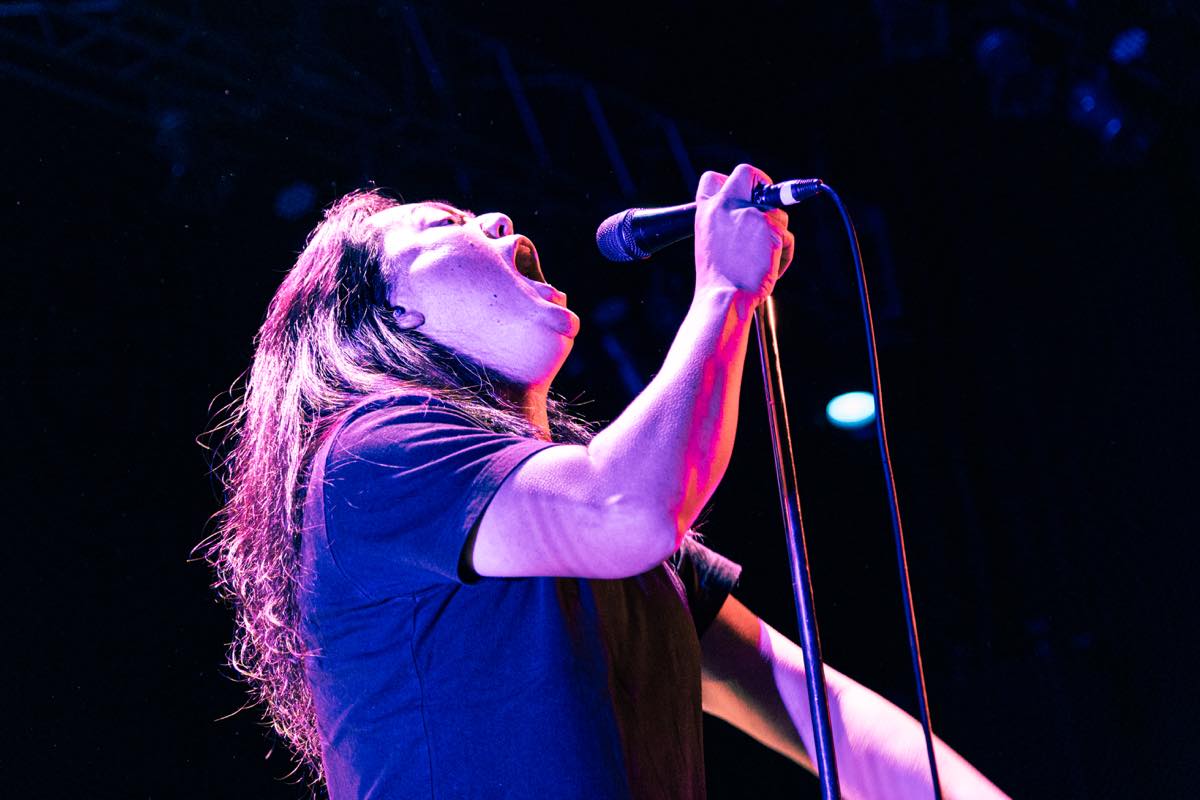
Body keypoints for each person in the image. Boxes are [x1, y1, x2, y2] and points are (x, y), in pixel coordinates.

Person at [205, 164, 1007, 799]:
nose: (498, 221)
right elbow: (626, 507)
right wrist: (725, 292)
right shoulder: (370, 454)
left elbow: (817, 710)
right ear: (391, 316)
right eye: (445, 224)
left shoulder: (587, 530)